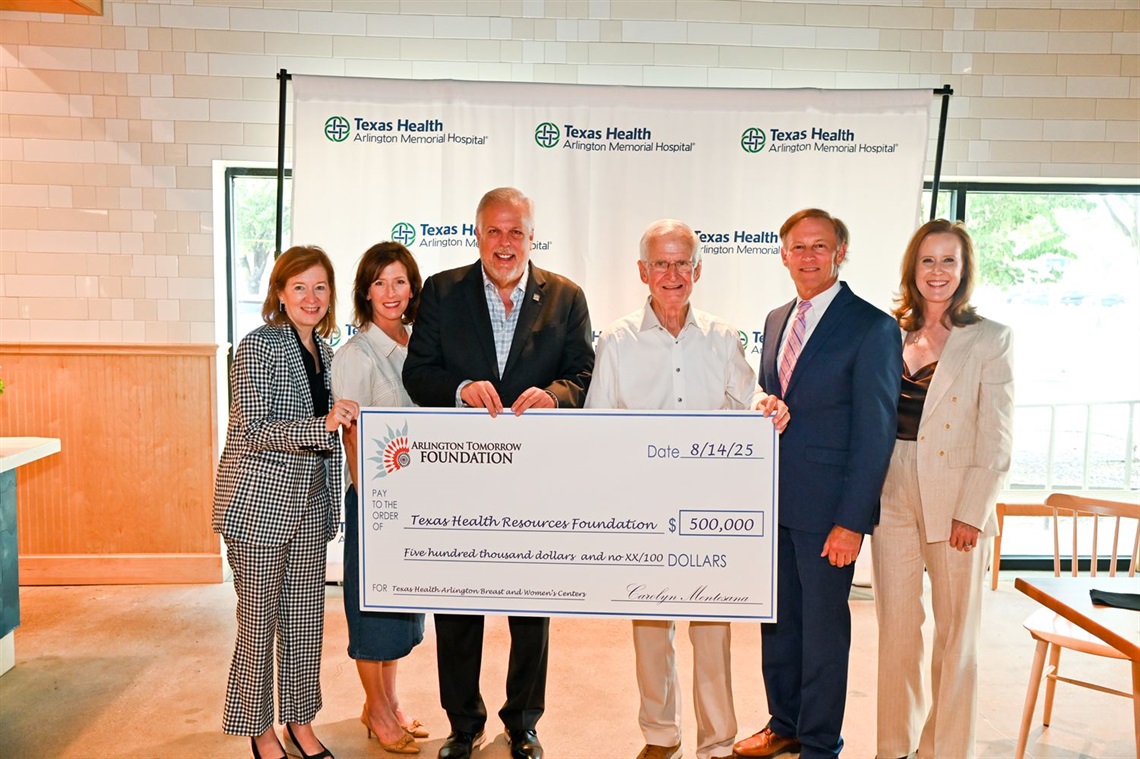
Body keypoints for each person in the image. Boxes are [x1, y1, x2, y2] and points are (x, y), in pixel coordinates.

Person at [584, 220, 789, 759]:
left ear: (698, 269)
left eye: (682, 263)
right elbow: (598, 424)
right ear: (643, 272)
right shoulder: (617, 340)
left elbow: (748, 398)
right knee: (650, 626)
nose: (672, 275)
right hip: (642, 508)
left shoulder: (723, 336)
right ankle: (660, 734)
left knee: (711, 627)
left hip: (708, 509)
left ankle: (717, 741)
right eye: (661, 263)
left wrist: (764, 405)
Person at [402, 187, 594, 759]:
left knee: (531, 606)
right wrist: (460, 390)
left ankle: (523, 722)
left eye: (516, 232)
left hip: (537, 480)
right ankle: (463, 725)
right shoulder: (442, 291)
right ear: (477, 235)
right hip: (459, 477)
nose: (505, 243)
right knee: (458, 605)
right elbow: (419, 373)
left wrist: (555, 396)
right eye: (494, 231)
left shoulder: (566, 296)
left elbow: (583, 373)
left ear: (532, 237)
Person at [734, 209, 902, 759]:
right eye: (796, 247)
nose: (807, 257)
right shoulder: (776, 318)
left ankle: (819, 743)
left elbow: (876, 433)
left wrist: (852, 522)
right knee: (777, 622)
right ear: (782, 254)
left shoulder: (872, 326)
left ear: (840, 252)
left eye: (819, 246)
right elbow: (769, 399)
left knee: (825, 631)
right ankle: (783, 722)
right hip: (772, 503)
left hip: (830, 512)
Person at [871, 220, 1014, 759]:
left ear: (964, 269)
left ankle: (946, 750)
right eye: (928, 260)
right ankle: (894, 748)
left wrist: (972, 512)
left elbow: (996, 434)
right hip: (892, 491)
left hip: (956, 494)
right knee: (898, 633)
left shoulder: (991, 338)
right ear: (913, 267)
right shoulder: (888, 331)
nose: (937, 272)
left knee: (956, 639)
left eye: (948, 261)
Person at [213, 245, 359, 759]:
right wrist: (320, 425)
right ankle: (259, 730)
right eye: (299, 287)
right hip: (258, 505)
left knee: (304, 621)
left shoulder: (325, 347)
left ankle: (300, 721)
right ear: (279, 292)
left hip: (309, 506)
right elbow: (251, 430)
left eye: (320, 287)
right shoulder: (257, 346)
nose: (311, 297)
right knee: (259, 623)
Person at [331, 242, 428, 756]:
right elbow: (351, 439)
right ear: (365, 291)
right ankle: (375, 710)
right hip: (375, 505)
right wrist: (377, 510)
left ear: (412, 288)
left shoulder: (419, 345)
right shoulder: (356, 354)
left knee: (400, 613)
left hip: (413, 503)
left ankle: (386, 703)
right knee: (372, 614)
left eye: (399, 281)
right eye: (379, 283)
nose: (391, 293)